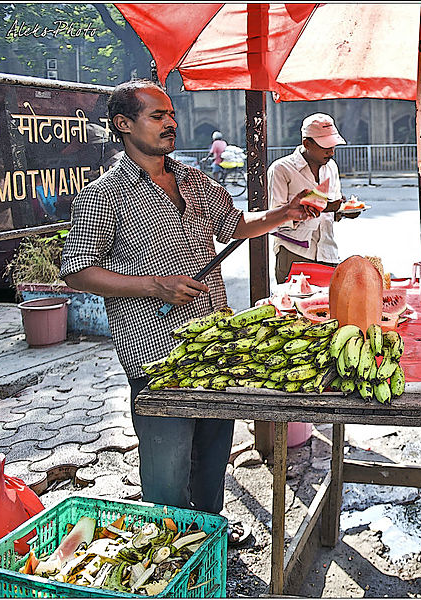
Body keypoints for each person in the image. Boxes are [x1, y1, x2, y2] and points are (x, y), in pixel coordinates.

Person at [60, 80, 317, 533]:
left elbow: (235, 224)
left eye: (171, 115)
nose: (171, 123)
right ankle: (169, 548)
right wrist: (154, 287)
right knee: (168, 463)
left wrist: (285, 213)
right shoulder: (104, 193)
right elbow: (78, 271)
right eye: (157, 116)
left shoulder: (193, 178)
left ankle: (209, 532)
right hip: (155, 353)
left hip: (215, 347)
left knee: (214, 450)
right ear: (123, 124)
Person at [268, 113, 359, 283]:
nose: (331, 152)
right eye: (325, 147)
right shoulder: (281, 169)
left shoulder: (331, 166)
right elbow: (273, 219)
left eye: (333, 146)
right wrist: (313, 208)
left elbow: (333, 211)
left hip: (328, 251)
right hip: (294, 252)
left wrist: (344, 211)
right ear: (306, 144)